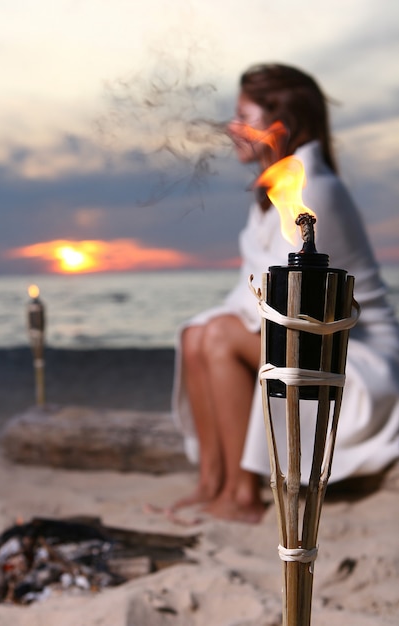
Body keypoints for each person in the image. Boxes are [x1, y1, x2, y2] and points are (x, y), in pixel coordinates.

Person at [171, 63, 399, 524]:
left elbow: (290, 302)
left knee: (216, 335)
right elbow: (249, 293)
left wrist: (222, 328)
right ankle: (212, 483)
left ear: (281, 120)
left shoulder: (313, 188)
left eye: (244, 116)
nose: (233, 129)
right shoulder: (278, 188)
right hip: (304, 335)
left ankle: (242, 494)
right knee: (195, 333)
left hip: (350, 351)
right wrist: (211, 326)